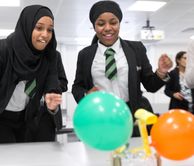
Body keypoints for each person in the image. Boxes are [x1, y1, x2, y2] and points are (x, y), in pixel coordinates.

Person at [71, 0, 173, 136]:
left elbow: (151, 85)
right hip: (101, 116)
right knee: (102, 155)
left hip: (133, 114)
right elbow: (77, 86)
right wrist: (86, 96)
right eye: (101, 24)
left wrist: (161, 72)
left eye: (113, 22)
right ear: (94, 27)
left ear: (119, 23)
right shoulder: (85, 54)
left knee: (134, 154)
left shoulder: (136, 49)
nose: (107, 28)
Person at [0, 5, 62, 143]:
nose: (45, 35)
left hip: (26, 118)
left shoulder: (48, 56)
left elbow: (53, 84)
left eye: (49, 30)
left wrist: (52, 105)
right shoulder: (4, 50)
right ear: (26, 27)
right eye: (39, 28)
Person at [26, 51, 68, 142]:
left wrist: (50, 86)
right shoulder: (19, 53)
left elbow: (64, 83)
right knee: (20, 151)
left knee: (47, 152)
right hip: (22, 112)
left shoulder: (55, 55)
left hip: (46, 113)